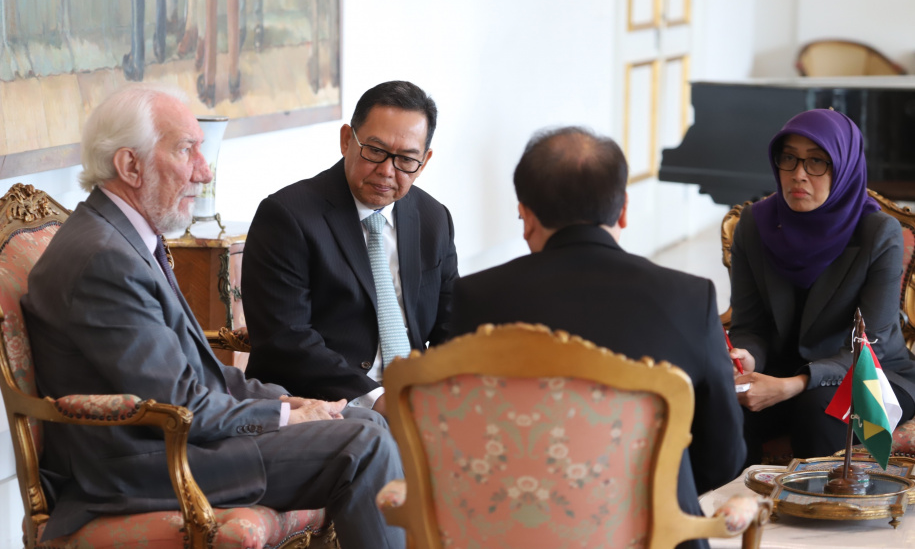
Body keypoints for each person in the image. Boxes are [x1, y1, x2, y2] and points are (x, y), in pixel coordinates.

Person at [21, 84, 405, 548]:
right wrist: (282, 419)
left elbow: (202, 375)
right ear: (129, 165)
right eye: (187, 150)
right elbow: (181, 401)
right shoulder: (103, 258)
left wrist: (292, 404)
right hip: (141, 469)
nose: (204, 171)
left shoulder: (124, 239)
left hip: (179, 445)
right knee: (362, 445)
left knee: (367, 423)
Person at [449, 126, 745, 549]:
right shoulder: (689, 298)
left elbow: (463, 438)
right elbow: (723, 459)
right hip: (654, 534)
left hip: (513, 533)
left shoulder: (475, 298)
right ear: (623, 210)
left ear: (526, 216)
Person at [242, 80, 458, 415]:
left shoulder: (433, 219)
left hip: (414, 400)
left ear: (424, 162)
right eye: (375, 151)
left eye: (406, 160)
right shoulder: (288, 217)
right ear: (347, 140)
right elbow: (286, 341)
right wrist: (379, 400)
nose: (387, 171)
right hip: (321, 402)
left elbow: (451, 328)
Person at [728, 108, 915, 464]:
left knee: (817, 411)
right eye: (789, 159)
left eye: (817, 162)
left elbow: (867, 348)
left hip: (873, 378)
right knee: (722, 409)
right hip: (781, 374)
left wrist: (792, 384)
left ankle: (822, 516)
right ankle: (736, 512)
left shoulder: (879, 234)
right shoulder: (755, 225)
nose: (798, 175)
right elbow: (750, 327)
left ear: (843, 167)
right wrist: (746, 356)